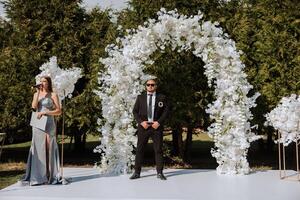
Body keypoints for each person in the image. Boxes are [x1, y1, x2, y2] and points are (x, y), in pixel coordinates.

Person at [22, 76, 61, 185]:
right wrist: (38, 93)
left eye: (44, 81)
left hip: (49, 122)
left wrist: (45, 112)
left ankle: (50, 175)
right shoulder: (36, 94)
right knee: (39, 148)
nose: (42, 83)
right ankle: (39, 177)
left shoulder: (53, 95)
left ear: (48, 83)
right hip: (38, 123)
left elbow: (58, 111)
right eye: (41, 81)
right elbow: (34, 107)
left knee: (49, 147)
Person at [130, 78, 169, 180]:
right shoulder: (140, 97)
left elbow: (166, 112)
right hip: (144, 127)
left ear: (156, 86)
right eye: (148, 85)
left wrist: (158, 122)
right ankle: (137, 173)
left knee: (158, 150)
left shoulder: (162, 97)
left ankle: (160, 173)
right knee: (139, 150)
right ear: (145, 86)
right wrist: (141, 122)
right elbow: (135, 111)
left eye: (152, 84)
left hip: (156, 127)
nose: (150, 86)